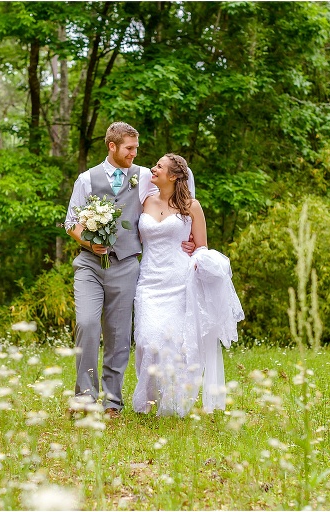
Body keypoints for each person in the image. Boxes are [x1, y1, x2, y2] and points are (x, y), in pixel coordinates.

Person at [64, 122, 195, 419]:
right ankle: (84, 399)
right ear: (112, 146)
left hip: (125, 265)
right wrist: (88, 241)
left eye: (136, 148)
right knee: (86, 324)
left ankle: (112, 403)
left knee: (119, 335)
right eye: (129, 148)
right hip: (89, 265)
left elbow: (172, 197)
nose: (135, 154)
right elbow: (71, 221)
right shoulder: (86, 179)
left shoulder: (145, 176)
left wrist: (185, 238)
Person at [132, 153, 244, 417]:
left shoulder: (192, 206)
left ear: (173, 176)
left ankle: (173, 402)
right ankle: (148, 398)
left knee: (172, 344)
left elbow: (201, 247)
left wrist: (195, 252)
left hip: (179, 281)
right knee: (147, 340)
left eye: (159, 166)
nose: (153, 168)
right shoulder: (144, 201)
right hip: (148, 281)